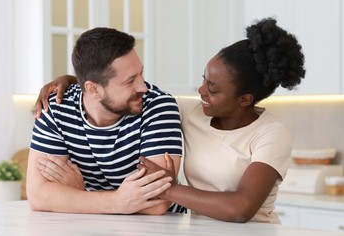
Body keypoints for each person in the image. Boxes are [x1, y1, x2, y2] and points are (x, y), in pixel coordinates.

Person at [34, 18, 306, 223]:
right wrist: (74, 81)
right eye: (203, 80)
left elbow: (241, 208)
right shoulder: (194, 112)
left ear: (245, 99)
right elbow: (38, 195)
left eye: (212, 88)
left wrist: (169, 190)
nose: (200, 91)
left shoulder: (271, 134)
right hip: (201, 229)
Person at [27, 27, 184, 215]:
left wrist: (78, 194)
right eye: (130, 80)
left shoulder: (158, 106)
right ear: (93, 90)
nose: (143, 86)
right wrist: (117, 201)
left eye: (141, 73)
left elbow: (157, 203)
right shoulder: (55, 107)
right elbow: (38, 195)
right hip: (88, 226)